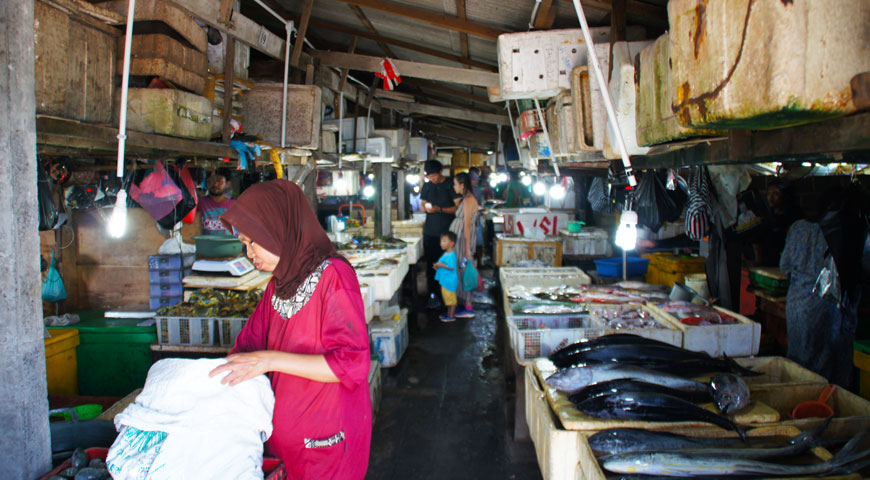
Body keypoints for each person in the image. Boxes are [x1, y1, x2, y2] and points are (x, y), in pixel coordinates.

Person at [209, 180, 372, 480]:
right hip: (281, 448)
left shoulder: (333, 276)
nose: (248, 253)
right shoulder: (278, 286)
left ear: (276, 228)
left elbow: (352, 364)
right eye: (244, 244)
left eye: (252, 241)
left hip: (327, 443)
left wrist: (269, 360)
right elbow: (246, 349)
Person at [420, 160, 460, 309]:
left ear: (441, 172)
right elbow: (422, 205)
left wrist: (440, 209)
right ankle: (433, 294)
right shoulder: (428, 186)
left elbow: (457, 208)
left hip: (447, 233)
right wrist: (426, 209)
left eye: (434, 175)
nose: (432, 179)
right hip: (430, 232)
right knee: (432, 265)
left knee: (448, 265)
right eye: (429, 176)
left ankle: (449, 297)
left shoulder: (451, 184)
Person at [449, 172, 481, 318]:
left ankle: (468, 308)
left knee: (464, 272)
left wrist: (468, 249)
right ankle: (465, 305)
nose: (454, 186)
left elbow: (467, 225)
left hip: (463, 241)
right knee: (461, 271)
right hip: (459, 241)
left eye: (455, 183)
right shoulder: (466, 199)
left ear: (462, 185)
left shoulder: (468, 200)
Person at [433, 231, 459, 322]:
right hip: (446, 280)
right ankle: (448, 314)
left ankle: (451, 315)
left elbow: (451, 267)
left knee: (451, 299)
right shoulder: (446, 253)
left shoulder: (451, 255)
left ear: (452, 243)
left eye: (444, 241)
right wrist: (437, 266)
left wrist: (440, 265)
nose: (441, 243)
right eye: (441, 241)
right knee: (447, 298)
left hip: (450, 281)